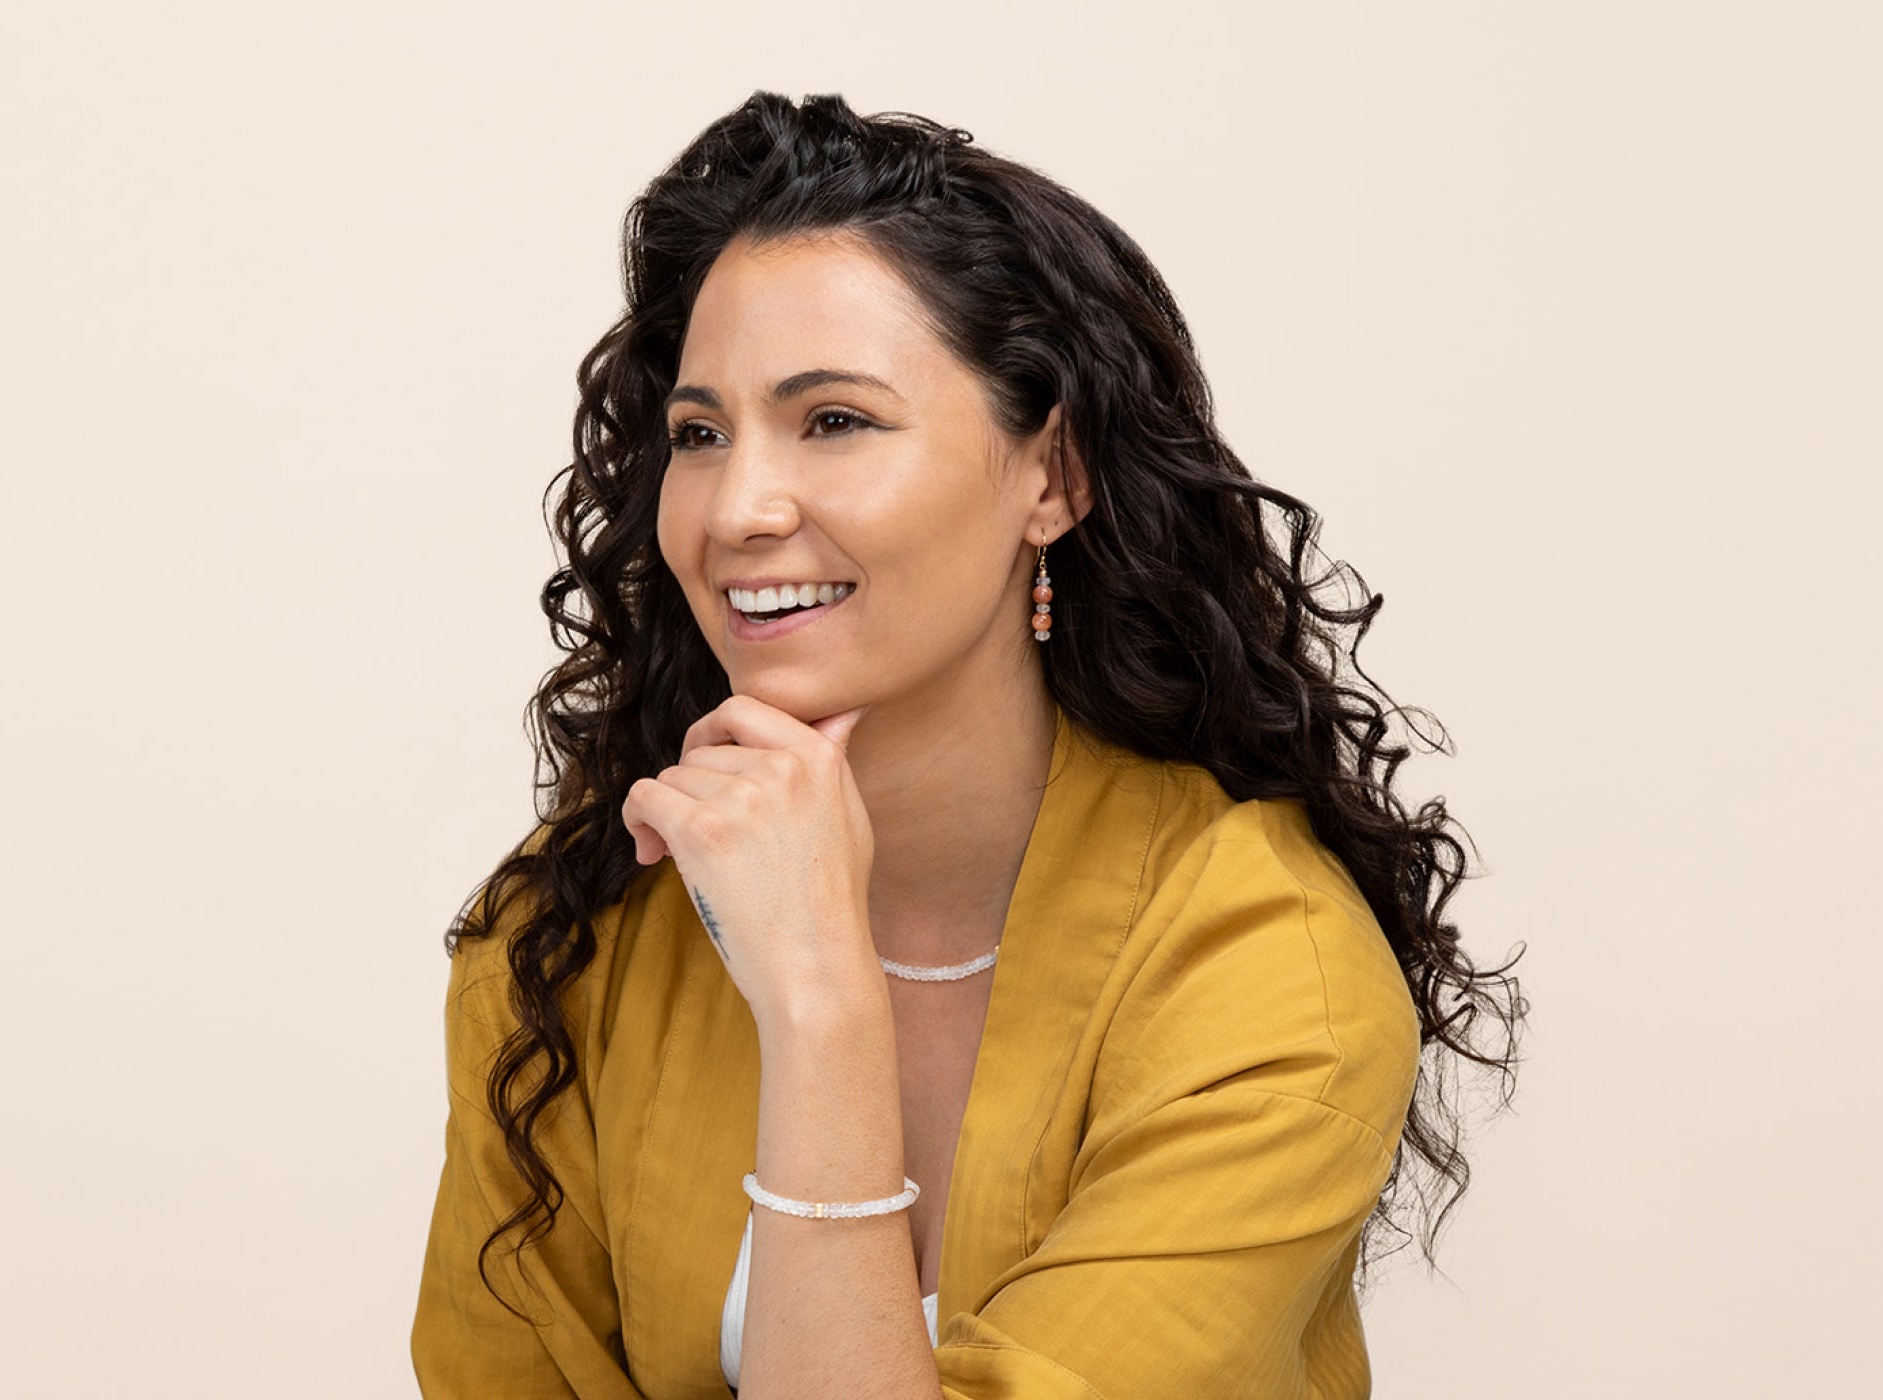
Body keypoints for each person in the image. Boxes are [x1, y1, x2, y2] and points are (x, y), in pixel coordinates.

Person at [411, 91, 1525, 1398]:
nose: (737, 509)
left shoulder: (1266, 970)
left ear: (1051, 477)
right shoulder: (573, 930)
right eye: (699, 435)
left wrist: (822, 1011)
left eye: (834, 420)